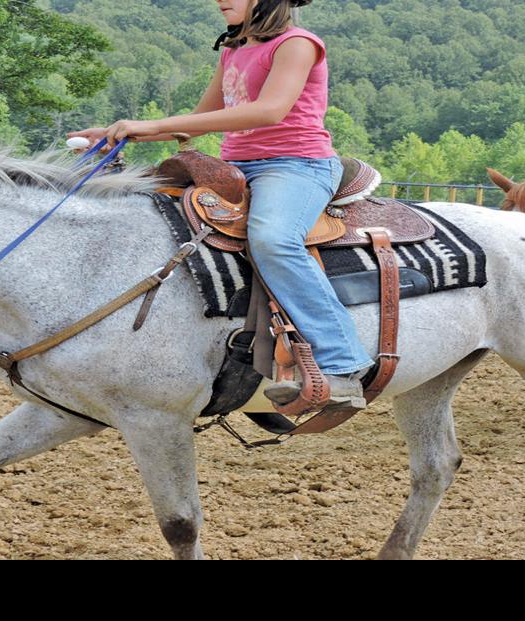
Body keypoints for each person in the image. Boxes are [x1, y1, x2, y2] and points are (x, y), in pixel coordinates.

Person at [68, 0, 371, 411]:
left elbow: (270, 110)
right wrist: (121, 134)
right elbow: (202, 117)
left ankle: (343, 363)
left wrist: (152, 125)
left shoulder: (297, 44)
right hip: (238, 165)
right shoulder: (233, 48)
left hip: (296, 165)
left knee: (274, 240)